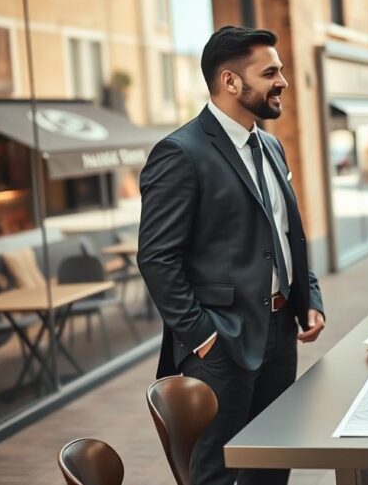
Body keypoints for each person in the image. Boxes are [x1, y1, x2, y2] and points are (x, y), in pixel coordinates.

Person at [138, 26, 325, 485]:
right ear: (230, 82)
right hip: (221, 344)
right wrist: (203, 336)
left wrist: (310, 296)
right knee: (216, 473)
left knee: (273, 461)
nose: (282, 80)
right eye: (270, 72)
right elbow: (157, 257)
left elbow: (286, 233)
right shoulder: (180, 153)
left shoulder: (272, 144)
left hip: (281, 332)